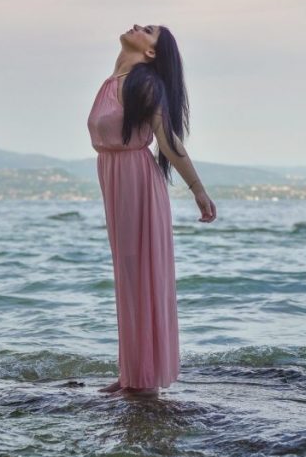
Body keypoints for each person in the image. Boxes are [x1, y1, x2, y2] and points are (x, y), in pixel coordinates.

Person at [87, 23, 217, 398]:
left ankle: (143, 378)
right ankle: (132, 373)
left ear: (150, 53)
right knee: (127, 277)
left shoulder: (142, 84)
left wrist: (198, 190)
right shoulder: (113, 81)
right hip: (114, 177)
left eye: (147, 31)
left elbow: (168, 142)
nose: (136, 26)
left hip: (137, 183)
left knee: (140, 275)